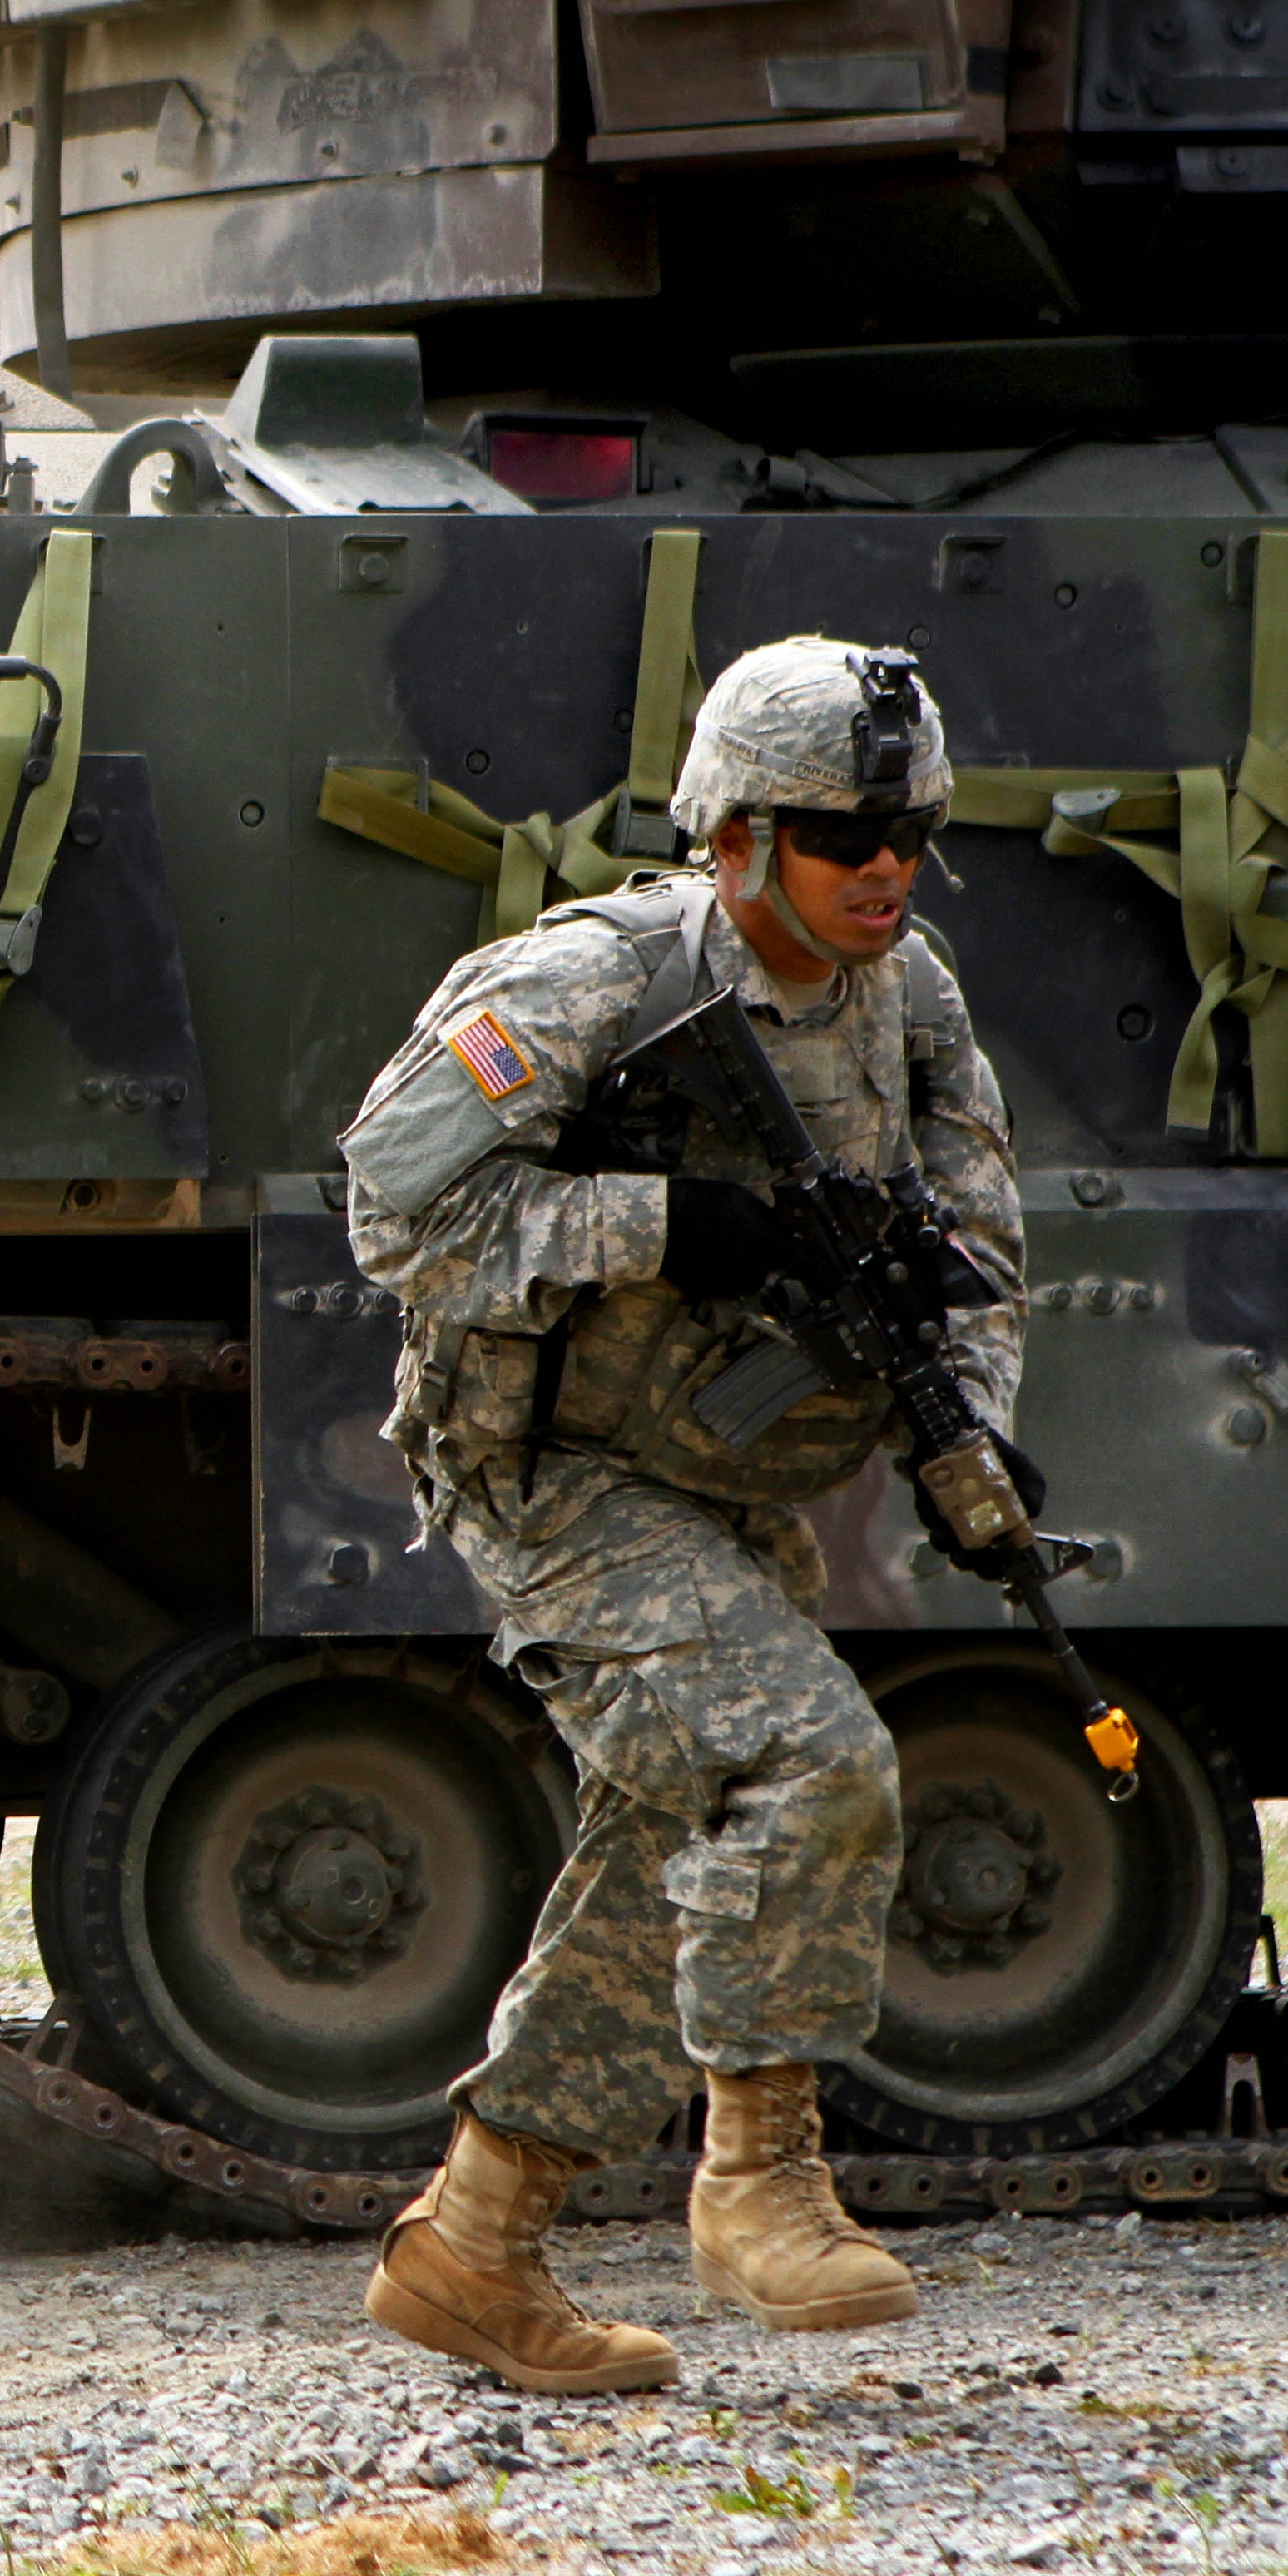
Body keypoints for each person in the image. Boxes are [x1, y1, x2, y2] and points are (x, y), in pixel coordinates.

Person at [338, 638, 1033, 2394]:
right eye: (839, 834)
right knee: (810, 1765)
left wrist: (977, 1455)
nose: (885, 868)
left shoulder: (911, 996)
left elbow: (977, 1249)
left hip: (728, 1475)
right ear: (733, 838)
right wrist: (660, 1227)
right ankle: (758, 2180)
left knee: (677, 1836)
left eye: (913, 834)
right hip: (557, 1466)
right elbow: (391, 1213)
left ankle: (478, 2243)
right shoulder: (592, 985)